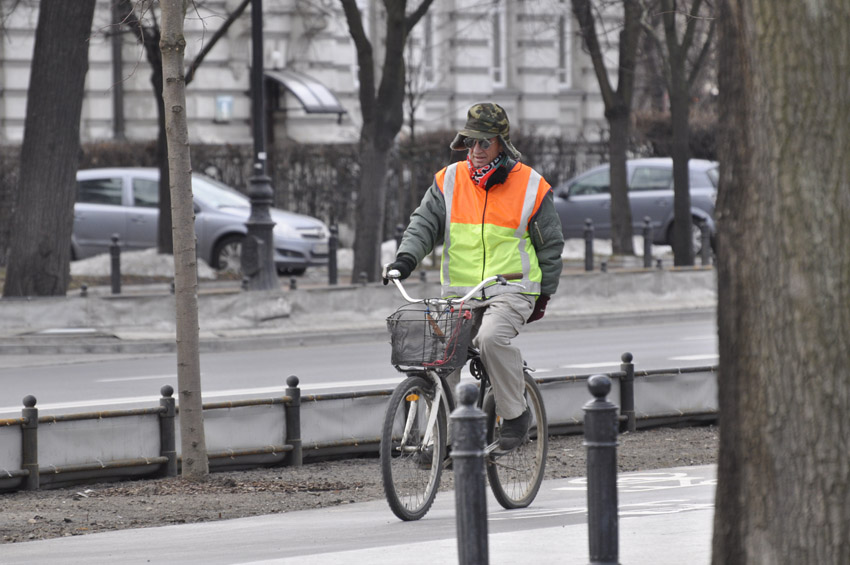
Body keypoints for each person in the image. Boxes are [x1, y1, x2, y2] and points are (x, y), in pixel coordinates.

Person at [383, 102, 564, 450]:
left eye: (484, 142)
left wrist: (543, 295)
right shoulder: (448, 181)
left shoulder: (531, 185)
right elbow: (423, 224)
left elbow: (551, 246)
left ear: (501, 143)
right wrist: (404, 260)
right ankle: (440, 443)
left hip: (512, 288)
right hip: (462, 293)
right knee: (440, 358)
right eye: (470, 142)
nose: (476, 151)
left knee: (491, 339)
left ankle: (514, 414)